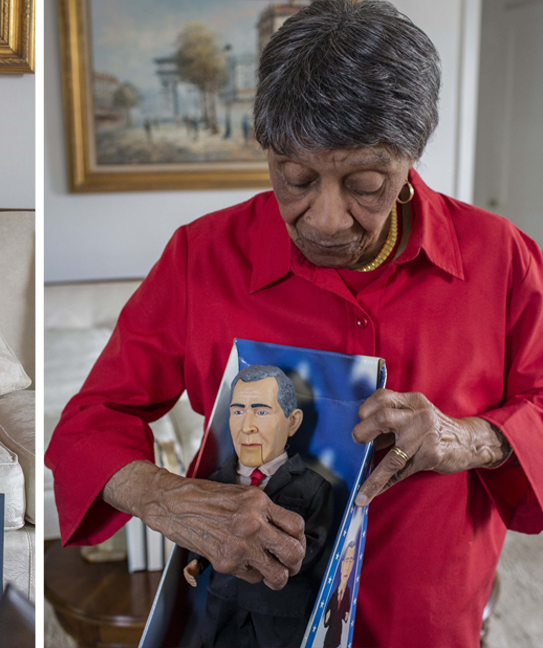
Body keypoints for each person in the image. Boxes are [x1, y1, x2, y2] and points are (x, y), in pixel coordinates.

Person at [45, 2, 543, 646]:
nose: (327, 220)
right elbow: (92, 421)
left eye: (366, 183)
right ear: (266, 148)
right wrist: (170, 500)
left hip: (424, 621)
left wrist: (471, 439)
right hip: (245, 622)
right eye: (297, 178)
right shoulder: (202, 255)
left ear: (410, 158)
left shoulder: (501, 256)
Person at [182, 365, 333, 647]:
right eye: (238, 411)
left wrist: (268, 553)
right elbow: (206, 532)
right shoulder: (216, 482)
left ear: (292, 421)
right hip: (225, 604)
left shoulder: (312, 487)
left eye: (261, 412)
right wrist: (197, 561)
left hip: (278, 611)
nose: (247, 426)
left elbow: (314, 546)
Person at [322, 541, 356, 648]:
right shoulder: (333, 591)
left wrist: (346, 614)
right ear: (341, 566)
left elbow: (347, 609)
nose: (347, 567)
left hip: (340, 634)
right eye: (346, 561)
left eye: (351, 562)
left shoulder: (349, 591)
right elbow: (327, 611)